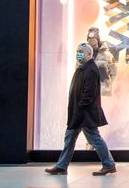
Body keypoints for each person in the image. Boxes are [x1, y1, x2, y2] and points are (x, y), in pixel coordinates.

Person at [46, 43, 116, 176]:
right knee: (70, 137)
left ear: (89, 54)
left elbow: (88, 93)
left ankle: (109, 164)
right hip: (78, 113)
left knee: (94, 138)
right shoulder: (82, 68)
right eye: (77, 51)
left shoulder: (90, 69)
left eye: (81, 52)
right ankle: (62, 165)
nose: (78, 54)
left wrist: (79, 109)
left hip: (84, 114)